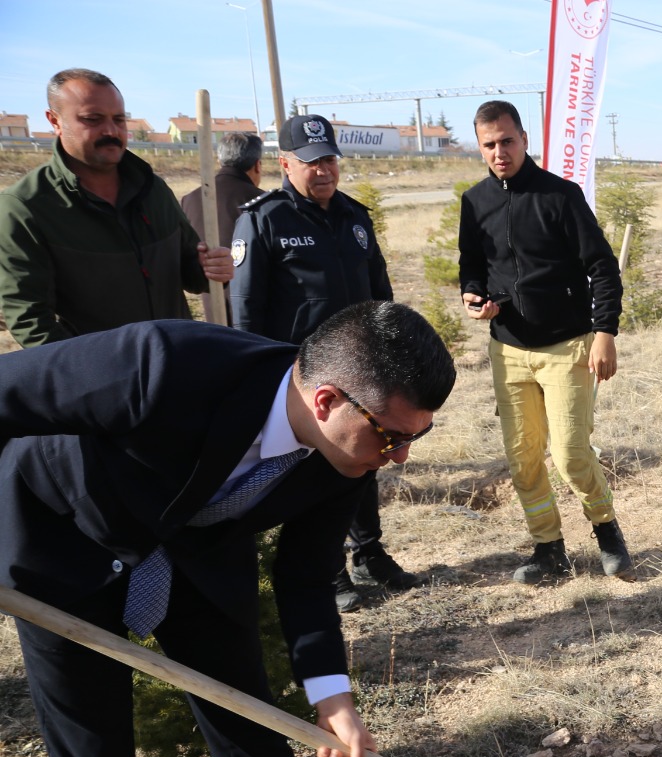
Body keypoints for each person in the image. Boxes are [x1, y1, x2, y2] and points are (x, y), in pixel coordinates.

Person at [0, 301, 455, 757]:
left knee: (251, 724)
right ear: (327, 400)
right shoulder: (161, 365)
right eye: (393, 437)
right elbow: (7, 393)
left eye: (415, 438)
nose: (399, 457)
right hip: (68, 550)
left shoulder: (348, 453)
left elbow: (305, 578)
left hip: (198, 558)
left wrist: (332, 698)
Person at [231, 114, 419, 612]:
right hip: (300, 379)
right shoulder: (264, 219)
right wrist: (258, 379)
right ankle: (327, 569)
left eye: (329, 160)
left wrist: (387, 354)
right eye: (312, 162)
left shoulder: (354, 217)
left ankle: (369, 553)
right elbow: (246, 310)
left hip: (359, 372)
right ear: (285, 164)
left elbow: (381, 294)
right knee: (309, 472)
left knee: (366, 458)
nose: (324, 171)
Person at [458, 99, 632, 585]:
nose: (499, 152)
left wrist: (605, 333)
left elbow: (603, 268)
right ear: (480, 148)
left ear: (524, 139)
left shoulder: (561, 196)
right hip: (508, 350)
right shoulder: (474, 202)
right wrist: (473, 295)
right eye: (489, 145)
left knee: (572, 454)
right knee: (523, 458)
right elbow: (471, 264)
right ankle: (548, 548)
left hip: (567, 346)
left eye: (507, 141)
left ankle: (607, 532)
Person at [0, 68, 233, 348]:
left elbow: (193, 273)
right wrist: (86, 370)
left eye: (119, 119)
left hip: (178, 357)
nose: (111, 131)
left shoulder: (153, 189)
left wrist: (213, 267)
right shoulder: (26, 207)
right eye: (92, 119)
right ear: (55, 120)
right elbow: (30, 319)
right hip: (102, 371)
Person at [180, 131, 263, 325]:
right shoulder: (263, 202)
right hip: (254, 314)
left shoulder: (190, 199)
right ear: (257, 165)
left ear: (220, 160)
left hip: (213, 311)